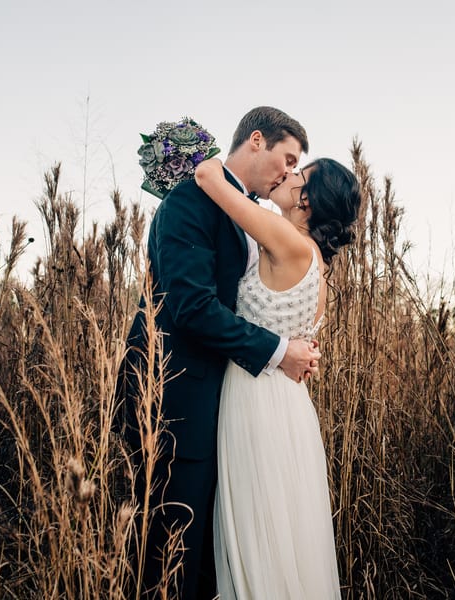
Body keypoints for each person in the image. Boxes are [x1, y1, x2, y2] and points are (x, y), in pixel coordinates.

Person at [114, 106, 322, 599]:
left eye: (296, 167)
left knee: (201, 564)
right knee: (166, 563)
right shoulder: (190, 200)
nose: (289, 173)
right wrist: (277, 350)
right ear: (256, 140)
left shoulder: (240, 213)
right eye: (287, 159)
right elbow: (191, 307)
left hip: (219, 413)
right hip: (172, 404)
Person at [194, 156, 361, 598]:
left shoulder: (286, 237)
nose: (287, 175)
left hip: (255, 399)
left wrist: (188, 149)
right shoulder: (318, 264)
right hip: (287, 405)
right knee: (281, 533)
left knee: (255, 530)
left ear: (306, 200)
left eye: (297, 175)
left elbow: (211, 178)